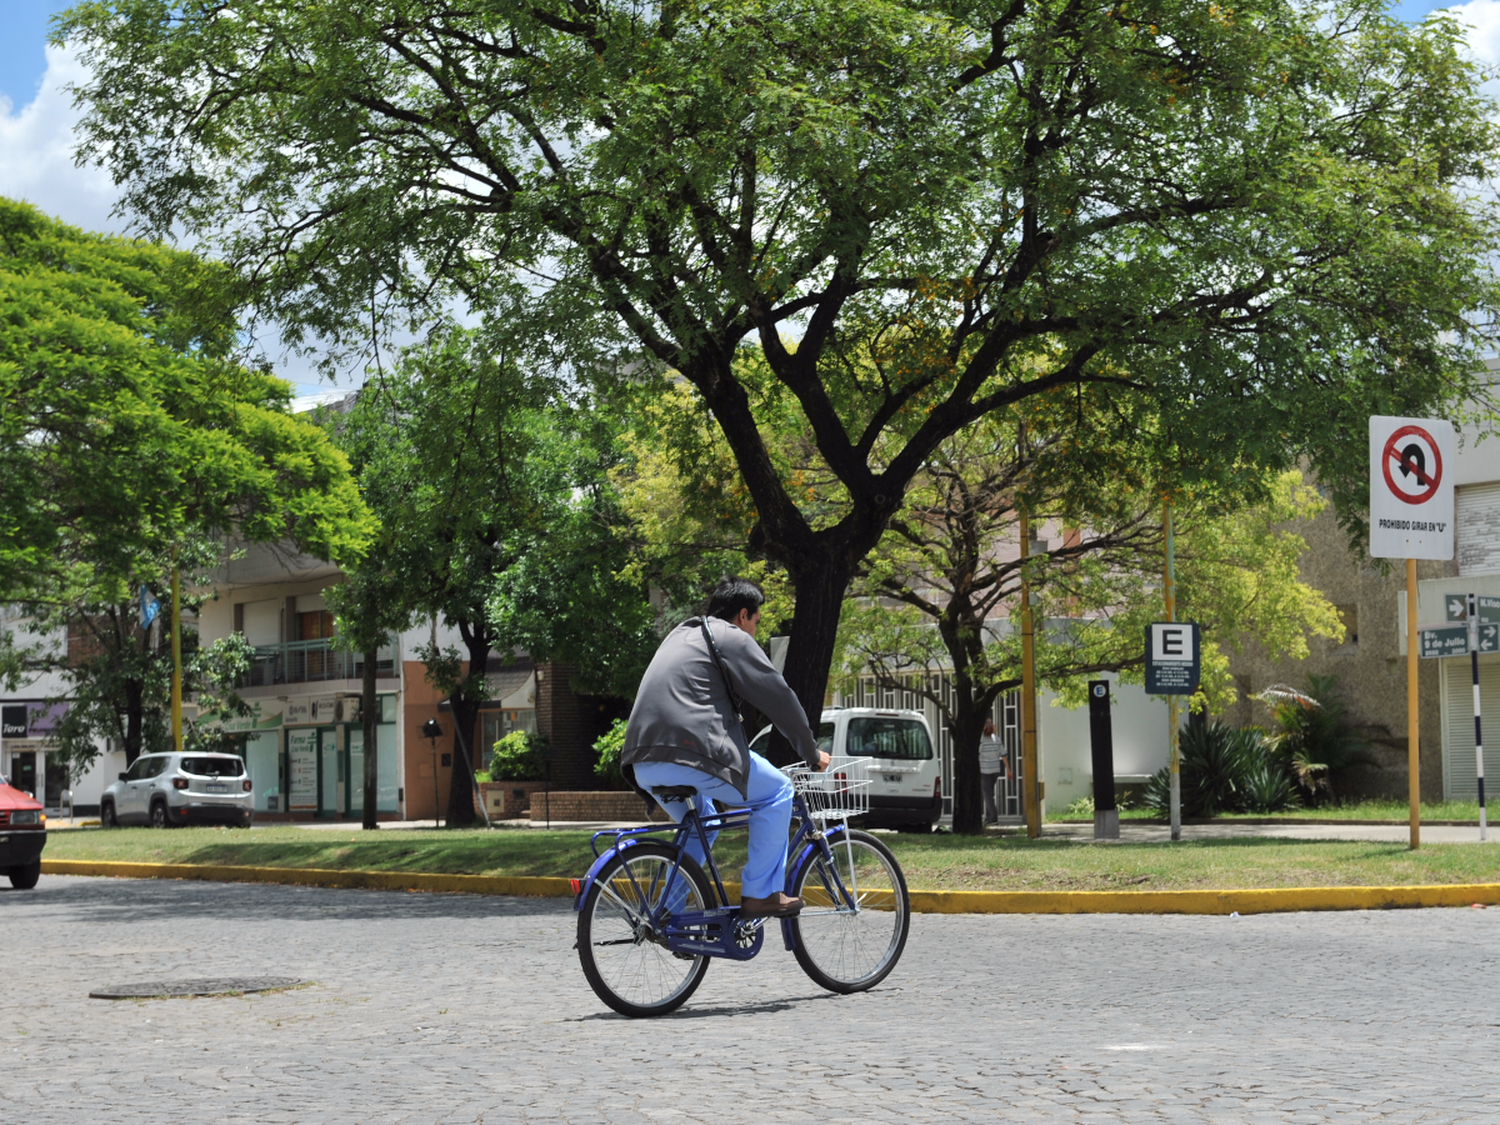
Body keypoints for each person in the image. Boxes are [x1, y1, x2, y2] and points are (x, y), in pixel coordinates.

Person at [622, 577, 829, 918]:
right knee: (778, 791)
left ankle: (667, 916)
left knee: (705, 820)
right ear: (743, 615)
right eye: (757, 623)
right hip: (689, 753)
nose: (755, 633)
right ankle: (761, 895)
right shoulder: (729, 636)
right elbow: (779, 697)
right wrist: (810, 751)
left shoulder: (681, 634)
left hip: (642, 762)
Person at [978, 719, 1013, 826]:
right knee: (990, 793)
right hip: (996, 770)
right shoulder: (997, 739)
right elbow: (1003, 755)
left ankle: (993, 818)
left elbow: (977, 753)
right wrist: (1008, 770)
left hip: (985, 770)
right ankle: (989, 817)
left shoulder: (981, 740)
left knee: (987, 794)